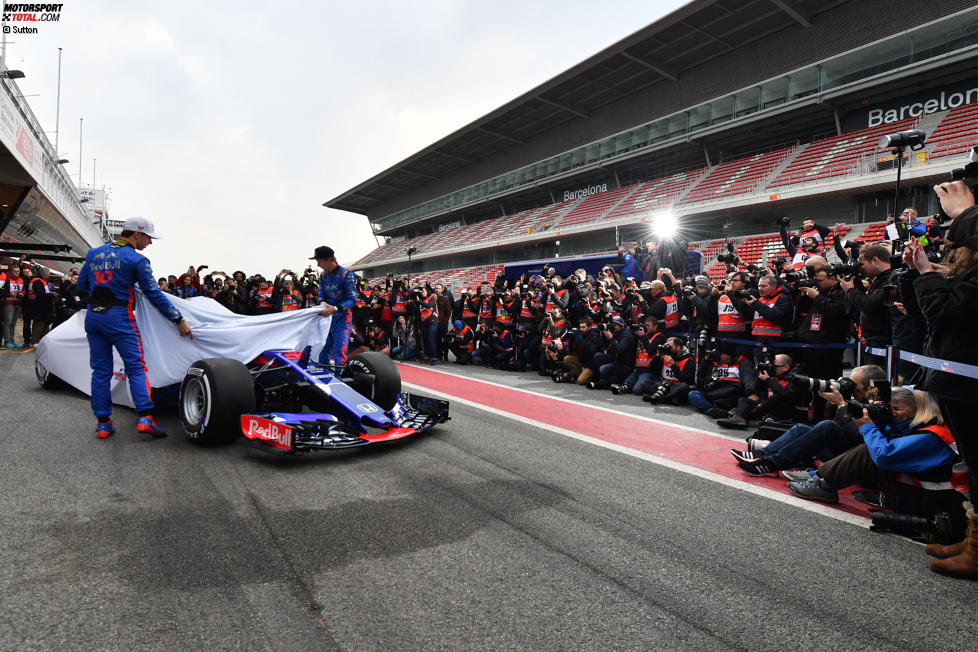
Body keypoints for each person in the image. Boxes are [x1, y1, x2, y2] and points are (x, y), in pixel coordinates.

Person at [906, 179, 978, 578]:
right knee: (972, 463)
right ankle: (973, 540)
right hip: (959, 380)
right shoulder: (963, 271)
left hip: (969, 382)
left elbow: (945, 313)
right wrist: (923, 272)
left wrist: (927, 275)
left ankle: (977, 551)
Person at [75, 217, 193, 438]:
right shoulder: (138, 260)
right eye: (149, 237)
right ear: (137, 234)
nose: (150, 242)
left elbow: (81, 286)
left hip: (94, 317)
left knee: (100, 371)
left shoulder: (93, 254)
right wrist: (178, 319)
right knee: (136, 367)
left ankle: (103, 423)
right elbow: (154, 294)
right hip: (120, 318)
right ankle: (145, 418)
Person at [312, 246, 357, 367]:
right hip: (327, 319)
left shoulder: (346, 274)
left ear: (328, 259)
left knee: (339, 352)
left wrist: (336, 308)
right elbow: (321, 295)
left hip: (342, 319)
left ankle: (339, 380)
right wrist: (322, 302)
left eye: (319, 260)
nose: (317, 264)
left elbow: (352, 300)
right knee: (322, 351)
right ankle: (323, 379)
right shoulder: (322, 276)